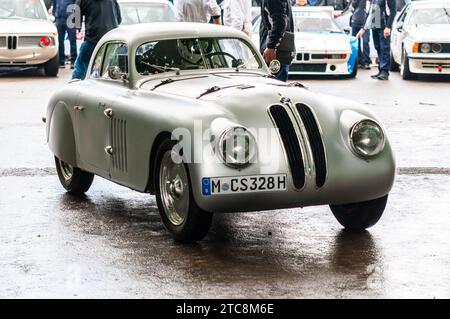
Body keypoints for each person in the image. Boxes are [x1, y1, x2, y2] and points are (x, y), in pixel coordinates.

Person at [72, 0, 122, 80]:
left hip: (93, 38)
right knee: (111, 69)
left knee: (81, 67)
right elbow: (119, 19)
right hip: (111, 38)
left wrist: (78, 26)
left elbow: (76, 17)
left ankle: (75, 88)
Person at [356, 0, 396, 80]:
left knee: (384, 48)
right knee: (378, 47)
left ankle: (384, 71)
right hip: (375, 26)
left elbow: (393, 11)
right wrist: (363, 28)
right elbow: (370, 14)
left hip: (384, 27)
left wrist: (388, 27)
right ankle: (381, 70)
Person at [260, 0, 295, 82]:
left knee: (275, 86)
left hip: (276, 51)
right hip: (279, 48)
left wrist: (271, 47)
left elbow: (280, 22)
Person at [336, 0, 371, 69]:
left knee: (365, 42)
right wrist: (340, 14)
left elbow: (370, 11)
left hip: (365, 24)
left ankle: (366, 62)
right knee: (356, 43)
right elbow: (349, 8)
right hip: (355, 23)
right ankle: (359, 61)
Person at [52, 0, 78, 69]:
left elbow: (77, 5)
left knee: (72, 41)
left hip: (70, 19)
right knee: (59, 41)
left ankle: (73, 61)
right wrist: (54, 16)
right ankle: (61, 61)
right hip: (59, 19)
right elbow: (54, 4)